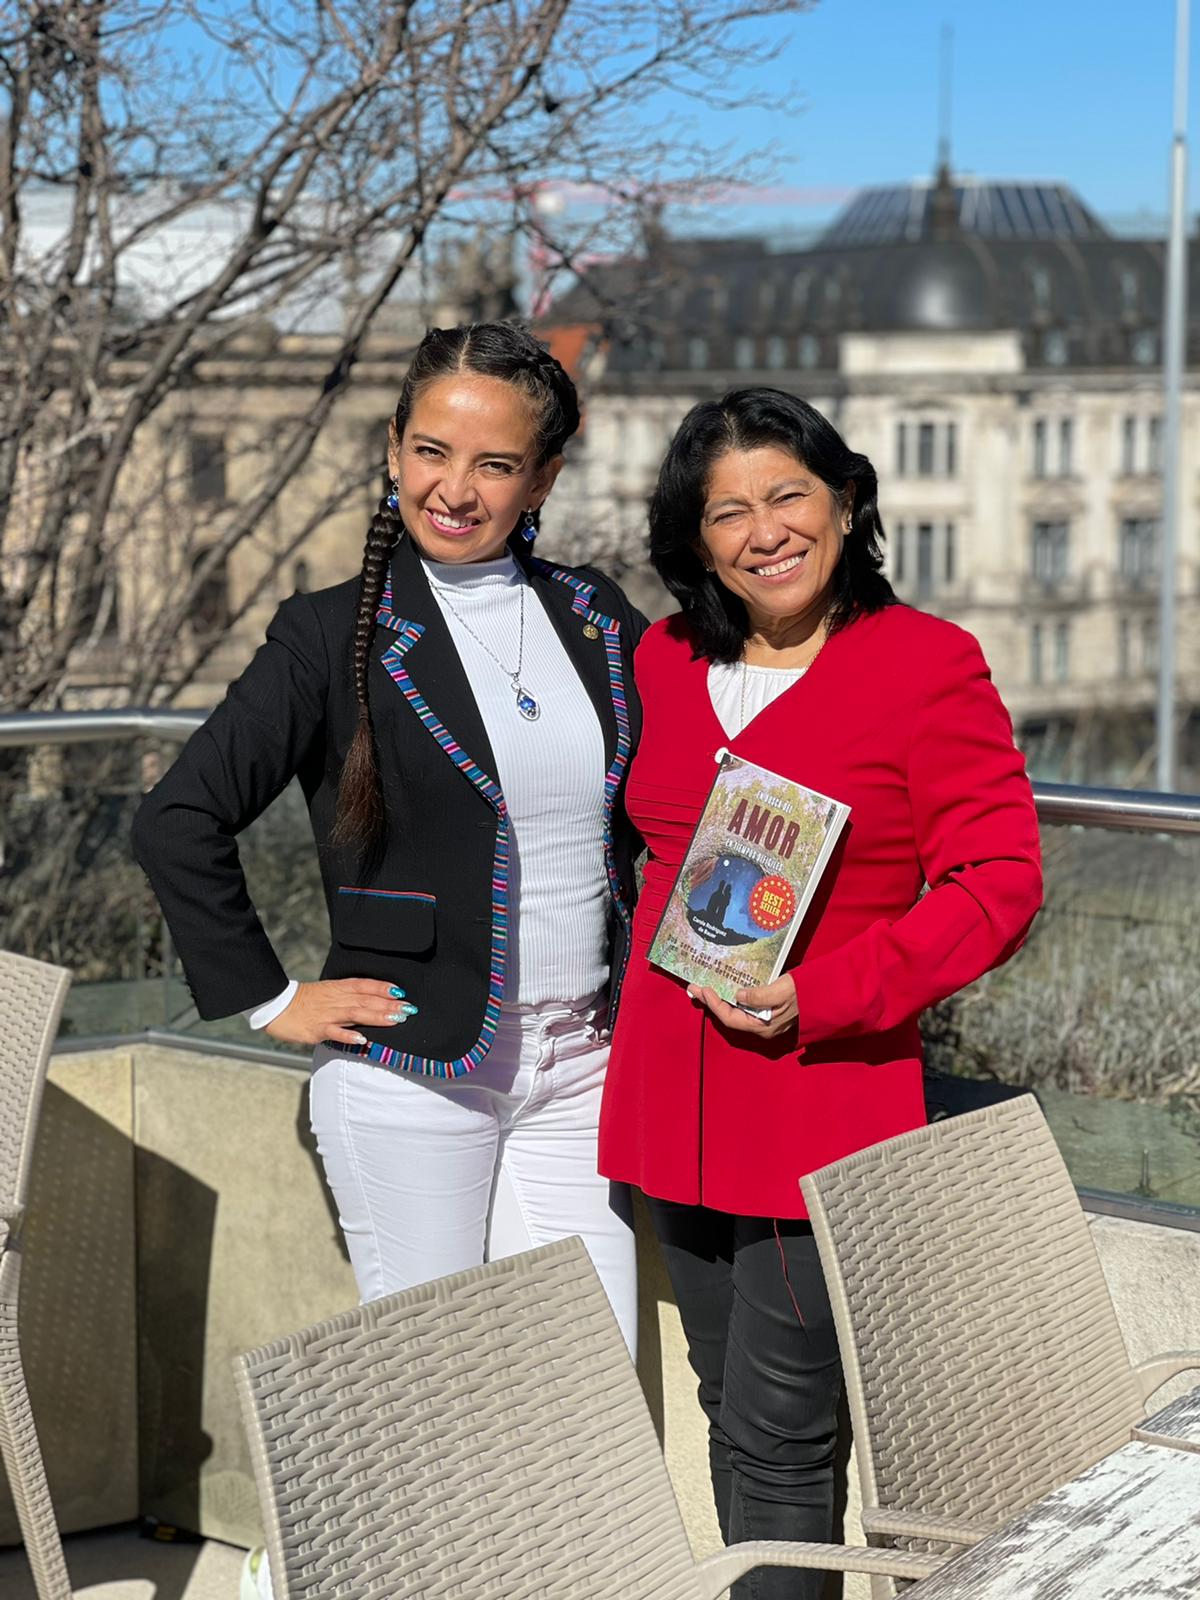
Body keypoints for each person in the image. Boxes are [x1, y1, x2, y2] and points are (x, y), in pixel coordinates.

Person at [599, 388, 1042, 1598]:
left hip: (818, 1101)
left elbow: (1000, 878)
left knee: (786, 1429)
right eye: (726, 511)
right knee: (724, 1402)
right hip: (668, 1099)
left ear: (846, 501)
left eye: (787, 495)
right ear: (695, 539)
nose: (764, 532)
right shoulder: (663, 658)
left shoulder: (925, 662)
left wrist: (831, 991)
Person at [132, 322, 645, 1360]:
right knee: (429, 1382)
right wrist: (271, 999)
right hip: (413, 1068)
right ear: (393, 449)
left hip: (587, 1066)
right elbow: (176, 820)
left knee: (587, 1381)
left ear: (542, 478)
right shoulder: (330, 634)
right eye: (430, 451)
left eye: (494, 463)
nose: (453, 489)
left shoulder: (594, 615)